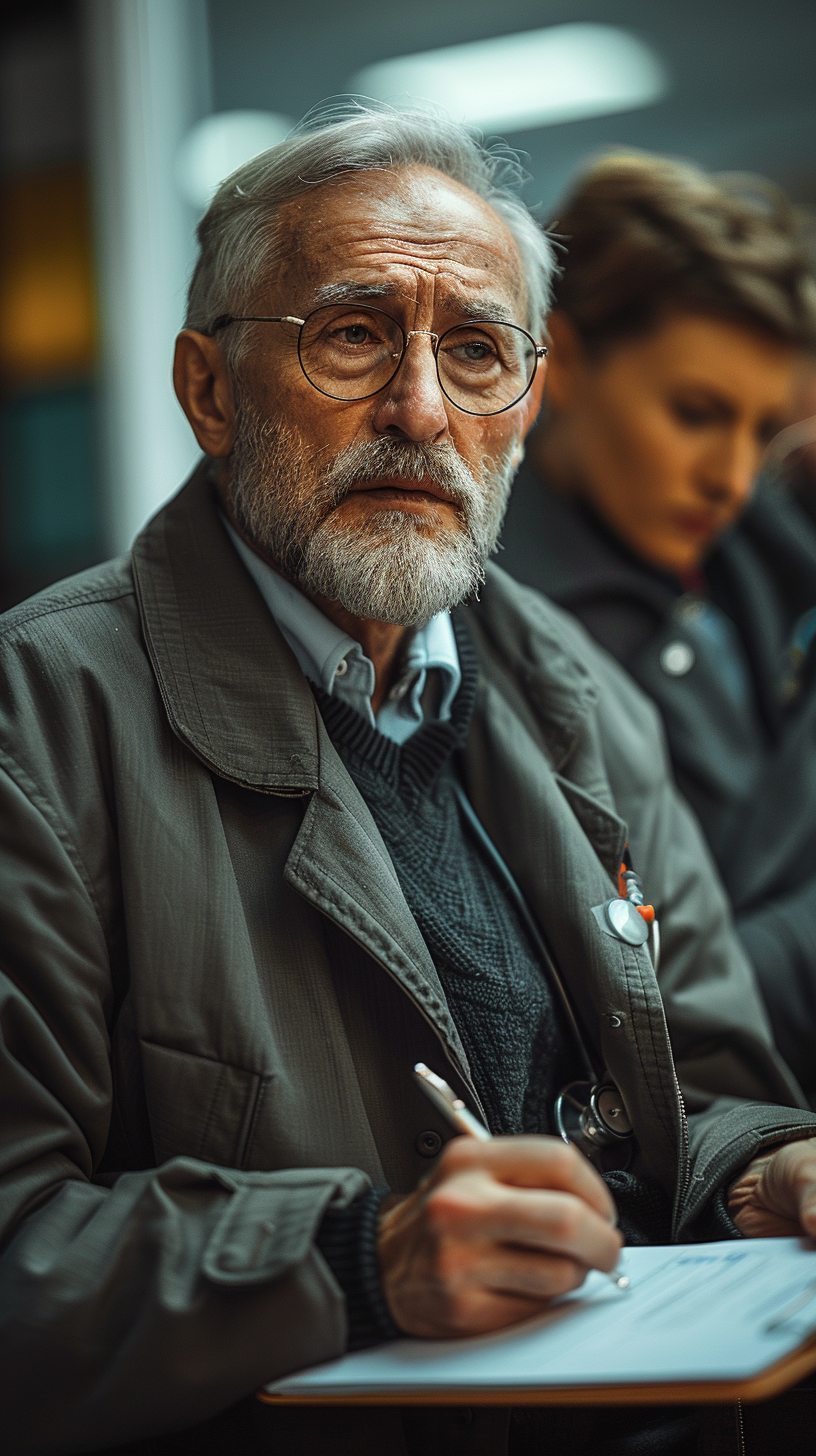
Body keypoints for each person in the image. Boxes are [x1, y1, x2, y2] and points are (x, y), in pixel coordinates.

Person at [2, 105, 816, 1456]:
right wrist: (351, 1262)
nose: (422, 411)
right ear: (209, 388)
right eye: (354, 334)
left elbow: (711, 1083)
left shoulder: (583, 695)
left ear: (526, 406)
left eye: (479, 351)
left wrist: (757, 1169)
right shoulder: (42, 721)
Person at [499, 152, 816, 1100]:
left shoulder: (772, 553)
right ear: (562, 357)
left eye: (762, 429)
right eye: (695, 413)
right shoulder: (475, 626)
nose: (730, 476)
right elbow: (623, 998)